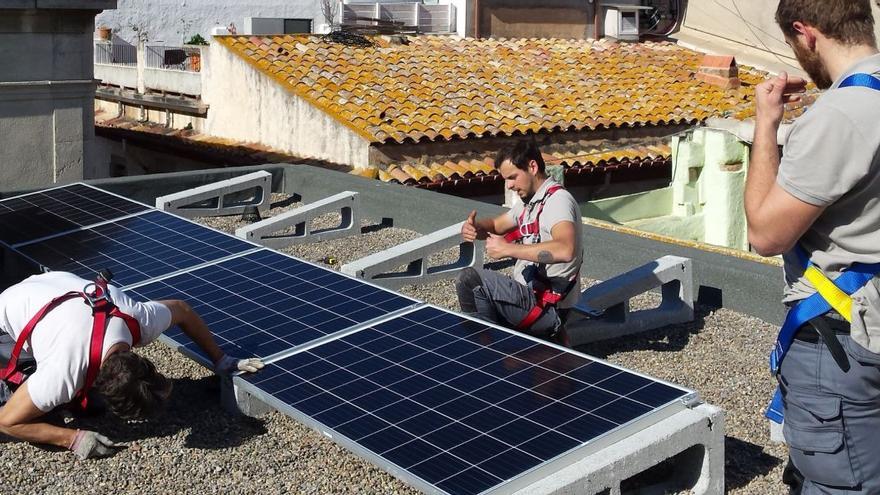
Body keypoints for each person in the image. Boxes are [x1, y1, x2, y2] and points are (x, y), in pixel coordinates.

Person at [744, 1, 880, 492]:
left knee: (841, 481)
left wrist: (766, 122)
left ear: (807, 34)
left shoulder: (840, 115)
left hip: (842, 340)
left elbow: (765, 234)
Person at [0, 271, 264, 460]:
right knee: (37, 414)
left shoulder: (139, 320)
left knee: (86, 408)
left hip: (47, 289)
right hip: (8, 317)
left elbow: (182, 309)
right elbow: (7, 422)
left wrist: (221, 359)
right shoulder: (62, 374)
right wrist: (71, 438)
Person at [456, 139, 583, 343]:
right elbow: (499, 224)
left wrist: (508, 249)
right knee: (480, 301)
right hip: (530, 297)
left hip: (545, 307)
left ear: (532, 167)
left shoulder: (558, 202)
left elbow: (565, 249)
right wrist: (476, 227)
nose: (509, 185)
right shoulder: (531, 201)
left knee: (470, 280)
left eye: (513, 177)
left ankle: (486, 357)